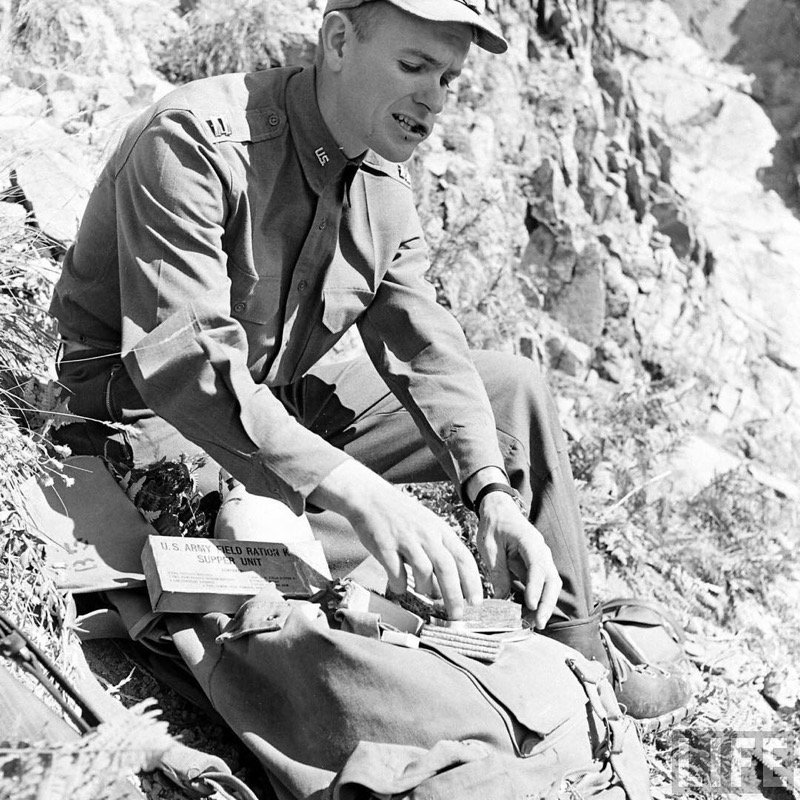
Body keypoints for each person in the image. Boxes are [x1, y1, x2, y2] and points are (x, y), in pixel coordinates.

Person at [49, 0, 687, 726]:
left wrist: (491, 497)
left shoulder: (381, 185)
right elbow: (185, 365)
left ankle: (577, 660)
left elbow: (428, 349)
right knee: (283, 549)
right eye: (415, 66)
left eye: (448, 78)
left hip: (276, 404)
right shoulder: (196, 141)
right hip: (149, 427)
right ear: (339, 40)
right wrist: (359, 491)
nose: (434, 97)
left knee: (511, 388)